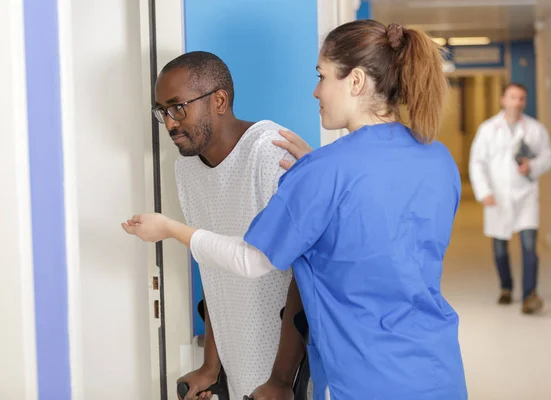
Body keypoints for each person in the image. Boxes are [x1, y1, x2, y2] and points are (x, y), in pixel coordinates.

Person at [124, 20, 468, 399]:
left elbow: (250, 260)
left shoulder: (323, 171)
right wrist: (317, 174)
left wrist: (171, 229)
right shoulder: (438, 159)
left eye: (323, 76)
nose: (316, 90)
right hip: (436, 368)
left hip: (363, 376)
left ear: (355, 82)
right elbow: (385, 232)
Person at [150, 51, 306, 400]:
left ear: (219, 100)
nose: (171, 123)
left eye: (178, 107)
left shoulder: (270, 153)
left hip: (290, 371)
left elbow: (304, 274)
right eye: (163, 112)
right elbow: (212, 265)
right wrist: (211, 366)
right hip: (239, 365)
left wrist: (282, 380)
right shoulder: (186, 169)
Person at [469, 83, 551, 314]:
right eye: (513, 97)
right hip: (497, 197)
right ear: (502, 100)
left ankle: (529, 295)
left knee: (529, 246)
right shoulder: (488, 129)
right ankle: (506, 287)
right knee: (499, 248)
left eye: (521, 98)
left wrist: (532, 165)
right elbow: (477, 162)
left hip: (525, 196)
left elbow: (548, 156)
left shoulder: (535, 129)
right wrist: (483, 191)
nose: (517, 102)